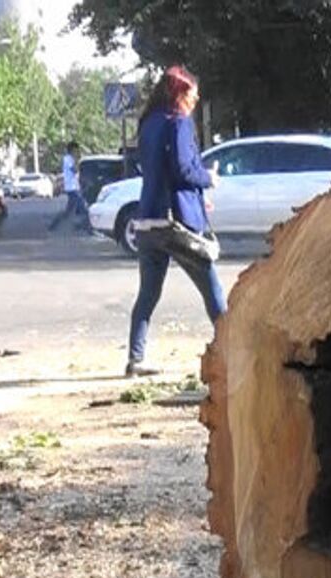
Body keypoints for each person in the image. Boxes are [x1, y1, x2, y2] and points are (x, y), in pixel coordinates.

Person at [125, 66, 225, 378]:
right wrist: (206, 178)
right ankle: (233, 350)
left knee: (148, 294)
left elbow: (160, 171)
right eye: (193, 93)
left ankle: (135, 359)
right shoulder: (179, 123)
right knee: (212, 289)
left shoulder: (149, 123)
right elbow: (183, 170)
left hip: (148, 220)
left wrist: (194, 191)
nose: (196, 99)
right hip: (176, 225)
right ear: (179, 94)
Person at [47, 142, 88, 233]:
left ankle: (53, 226)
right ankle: (87, 228)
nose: (78, 152)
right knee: (84, 210)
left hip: (74, 188)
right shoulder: (68, 159)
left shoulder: (71, 159)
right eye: (76, 150)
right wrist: (77, 161)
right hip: (72, 188)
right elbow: (74, 170)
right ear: (72, 150)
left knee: (68, 212)